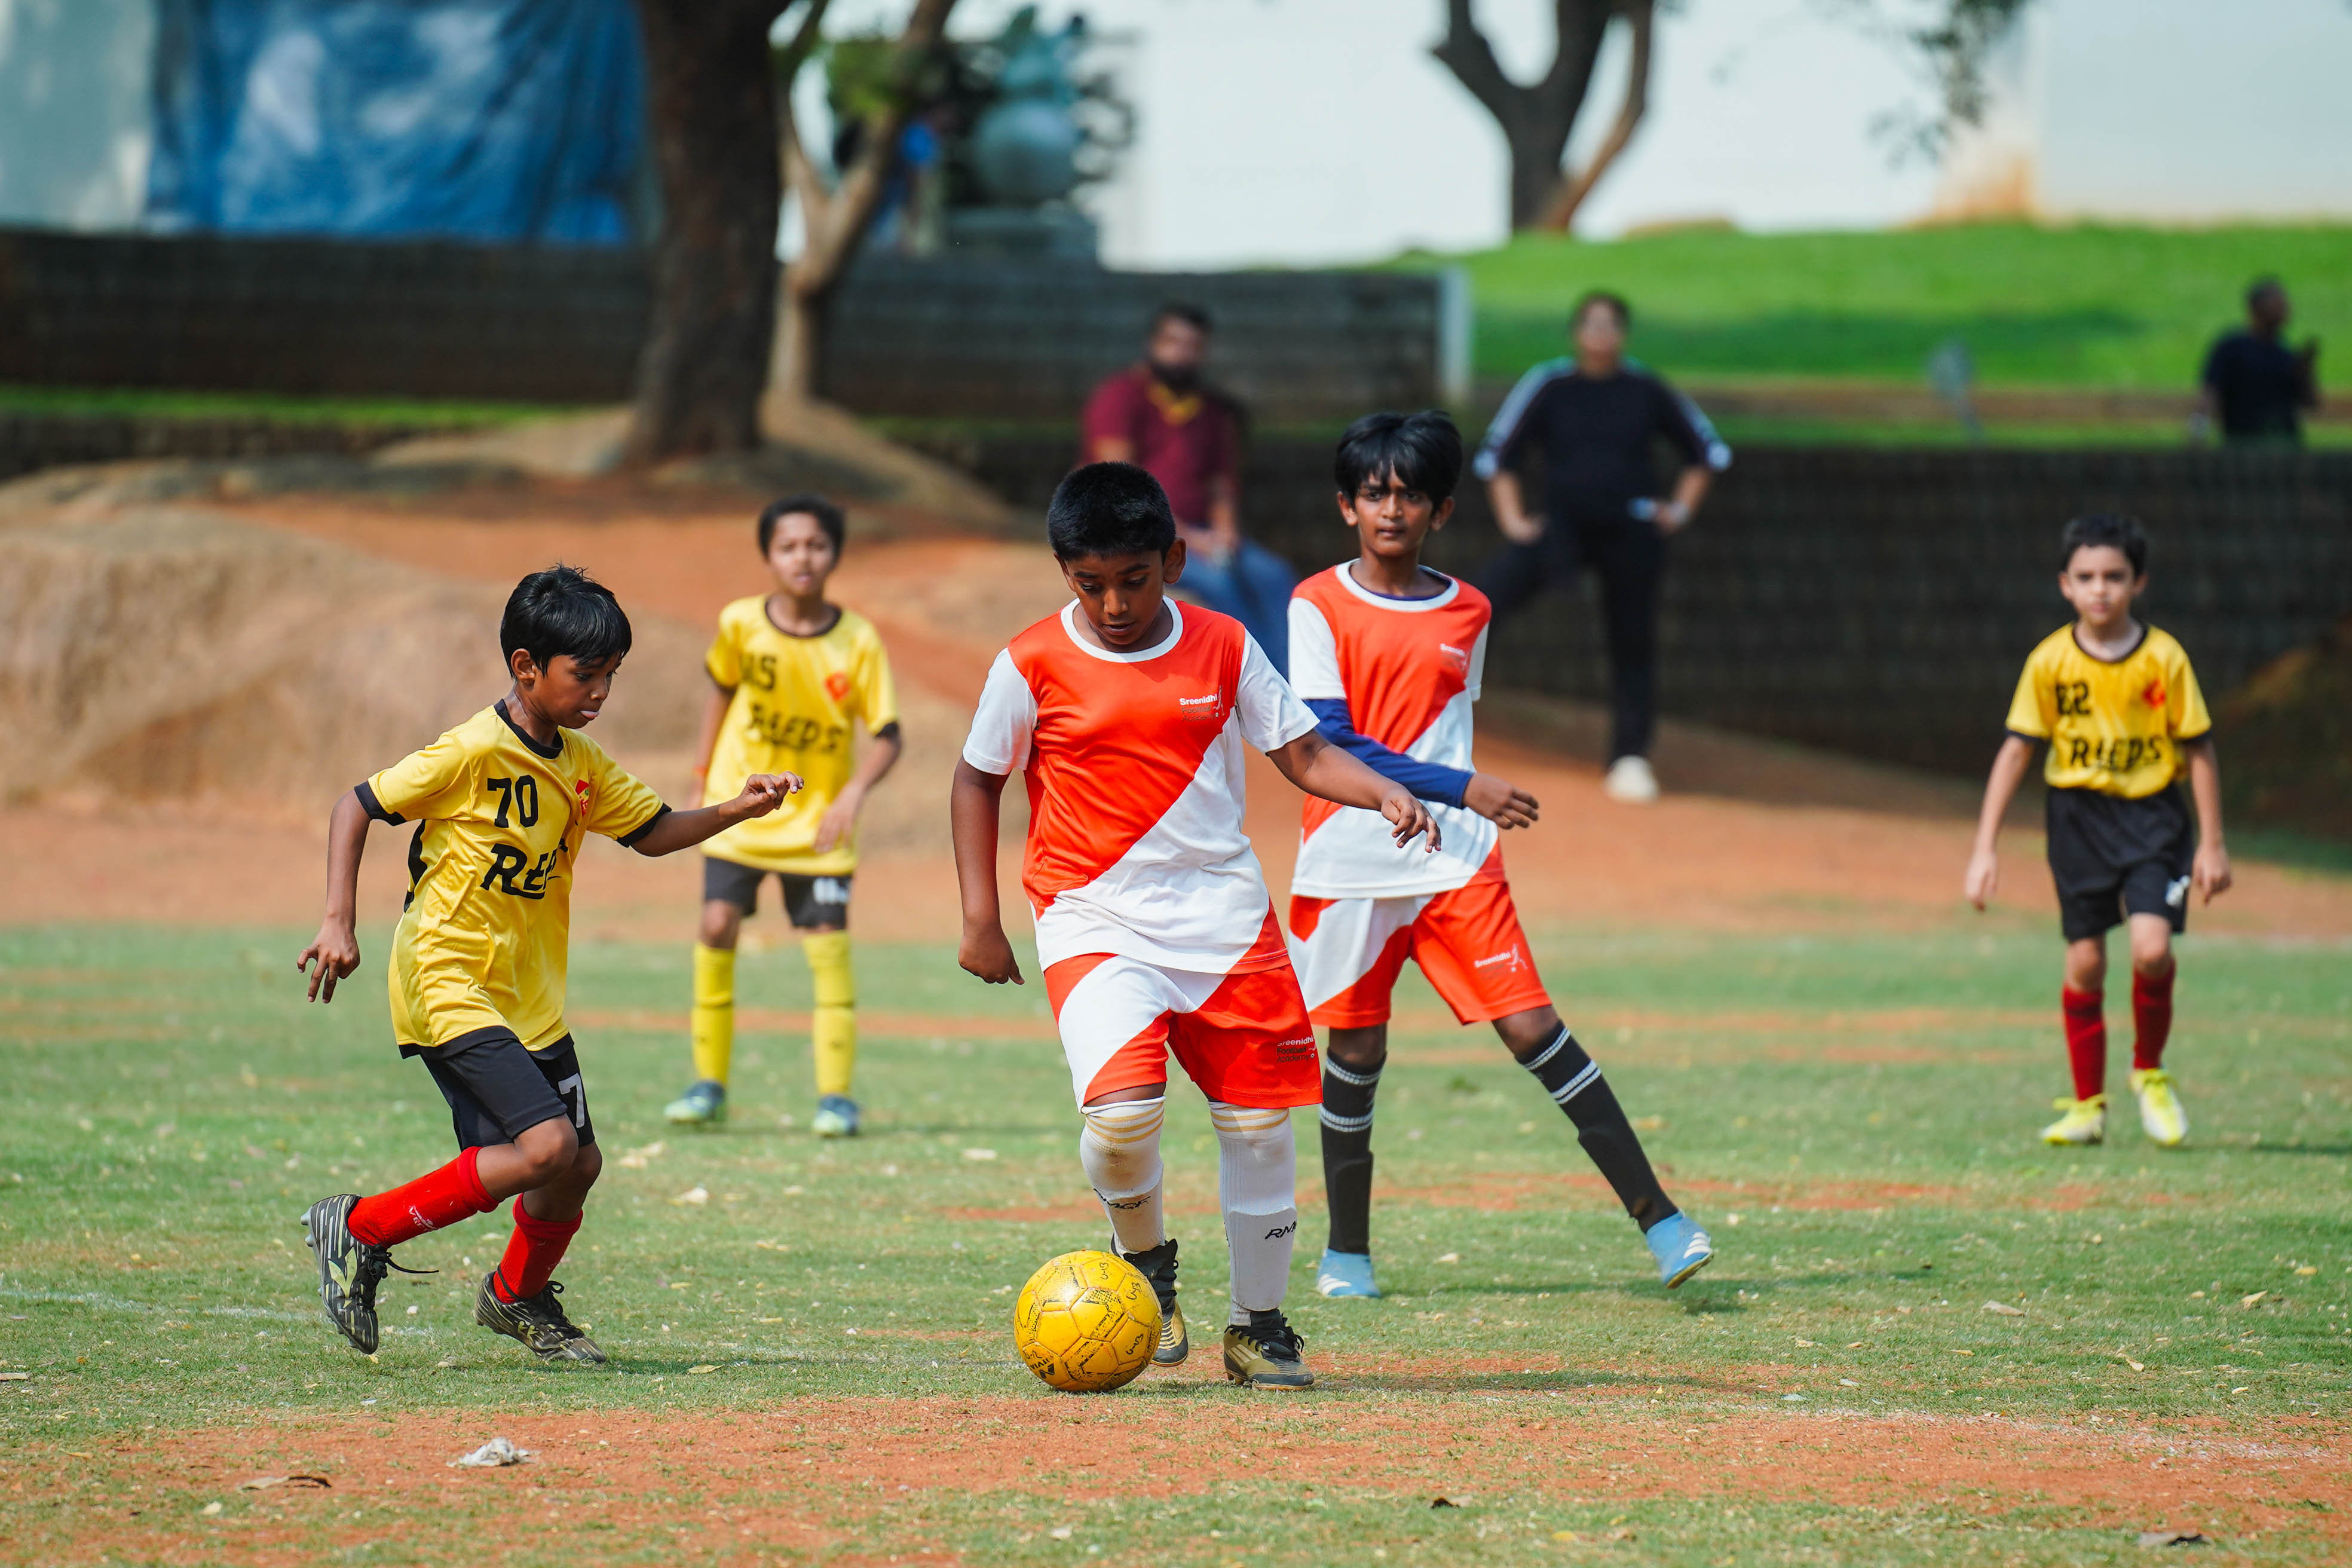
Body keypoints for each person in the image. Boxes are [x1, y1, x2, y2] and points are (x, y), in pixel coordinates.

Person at [951, 461, 1437, 1389]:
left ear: (1173, 559)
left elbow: (1301, 751)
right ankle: (1146, 1272)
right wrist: (982, 917)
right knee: (1123, 1117)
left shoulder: (1223, 643)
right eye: (1090, 583)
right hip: (1091, 915)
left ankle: (1258, 1325)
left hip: (1225, 919)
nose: (1114, 602)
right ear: (1063, 572)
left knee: (1257, 1127)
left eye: (1133, 579)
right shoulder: (1029, 661)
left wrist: (1383, 792)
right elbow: (977, 778)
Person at [293, 566, 796, 1362]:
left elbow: (655, 829)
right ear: (527, 667)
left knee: (576, 1167)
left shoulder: (583, 764)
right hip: (446, 976)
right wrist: (337, 921)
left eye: (610, 676)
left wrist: (742, 805)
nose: (600, 691)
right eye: (584, 674)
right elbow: (356, 805)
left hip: (528, 996)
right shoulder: (471, 751)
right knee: (546, 1151)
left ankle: (516, 1296)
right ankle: (358, 1228)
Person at [1285, 411, 1714, 1300]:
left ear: (1442, 510)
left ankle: (1666, 1224)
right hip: (1351, 858)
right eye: (1375, 494)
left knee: (1532, 1028)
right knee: (1356, 1050)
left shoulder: (1470, 608)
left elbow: (1445, 725)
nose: (1391, 510)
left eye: (1410, 495)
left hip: (1455, 859)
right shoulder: (1314, 603)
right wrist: (1461, 785)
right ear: (1346, 507)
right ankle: (1347, 1256)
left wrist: (1454, 798)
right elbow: (1327, 738)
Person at [1964, 514, 2231, 1149]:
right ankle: (2088, 1105)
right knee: (2085, 962)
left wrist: (2212, 842)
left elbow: (2198, 750)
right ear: (2065, 584)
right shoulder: (2050, 662)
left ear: (2139, 581)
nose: (2100, 589)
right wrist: (1984, 847)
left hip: (2153, 819)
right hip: (2078, 820)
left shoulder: (2164, 657)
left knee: (2150, 948)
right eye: (2086, 577)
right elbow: (2015, 752)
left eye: (2114, 576)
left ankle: (2150, 1071)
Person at [663, 495, 902, 1137]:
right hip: (741, 812)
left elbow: (888, 734)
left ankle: (836, 1098)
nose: (803, 556)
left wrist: (851, 794)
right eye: (789, 545)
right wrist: (700, 778)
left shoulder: (858, 640)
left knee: (826, 948)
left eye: (816, 545)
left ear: (835, 555)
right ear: (769, 555)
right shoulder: (741, 623)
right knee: (716, 924)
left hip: (818, 827)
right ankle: (708, 1085)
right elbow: (720, 693)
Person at [1471, 290, 1732, 804]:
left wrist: (1677, 511)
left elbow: (1708, 451)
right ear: (1575, 332)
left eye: (1610, 325)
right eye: (1590, 324)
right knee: (1479, 605)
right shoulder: (1550, 385)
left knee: (1633, 641)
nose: (1600, 334)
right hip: (1561, 528)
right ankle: (1427, 721)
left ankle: (1630, 757)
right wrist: (1514, 521)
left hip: (1630, 531)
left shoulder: (1646, 389)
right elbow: (1497, 456)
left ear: (1623, 334)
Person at [1082, 303, 1298, 670]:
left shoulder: (1212, 411)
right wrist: (1185, 537)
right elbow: (1118, 482)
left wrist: (1225, 531)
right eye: (1172, 343)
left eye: (1192, 345)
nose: (1181, 354)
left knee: (1275, 577)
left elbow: (1221, 483)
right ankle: (1256, 682)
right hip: (1134, 535)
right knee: (1222, 585)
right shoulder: (1120, 397)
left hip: (1203, 534)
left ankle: (1297, 689)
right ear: (1153, 344)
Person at [2194, 277, 2320, 445]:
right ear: (2257, 307)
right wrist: (2197, 433)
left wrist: (2305, 370)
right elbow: (2210, 395)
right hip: (2242, 445)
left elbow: (2310, 404)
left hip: (2285, 445)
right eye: (2278, 303)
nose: (2286, 309)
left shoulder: (2287, 356)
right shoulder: (2231, 349)